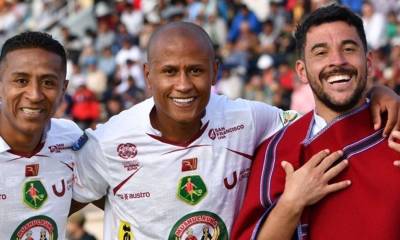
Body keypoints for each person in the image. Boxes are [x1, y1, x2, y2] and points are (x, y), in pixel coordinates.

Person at [72, 21, 400, 239]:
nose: (183, 85)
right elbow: (60, 199)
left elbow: (323, 118)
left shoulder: (249, 119)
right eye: (169, 71)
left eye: (196, 71)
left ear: (215, 71)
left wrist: (376, 93)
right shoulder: (110, 141)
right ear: (148, 74)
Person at [231, 4, 400, 240]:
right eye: (321, 52)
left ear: (369, 62)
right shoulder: (279, 149)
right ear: (302, 71)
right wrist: (292, 203)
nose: (337, 61)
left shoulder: (394, 128)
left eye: (349, 49)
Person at [0, 32, 83, 238]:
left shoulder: (71, 138)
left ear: (63, 89)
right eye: (21, 81)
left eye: (48, 83)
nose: (35, 95)